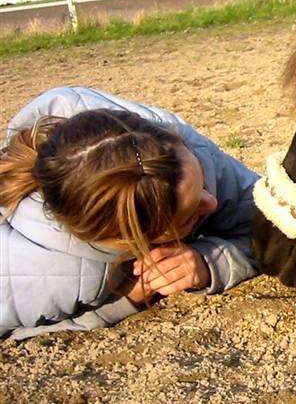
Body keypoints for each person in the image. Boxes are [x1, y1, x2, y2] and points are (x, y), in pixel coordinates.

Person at [0, 86, 259, 340]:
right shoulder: (48, 274)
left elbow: (270, 223)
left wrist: (211, 262)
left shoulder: (170, 149)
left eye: (201, 182)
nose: (211, 202)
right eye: (190, 215)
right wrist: (124, 300)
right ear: (129, 241)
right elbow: (12, 331)